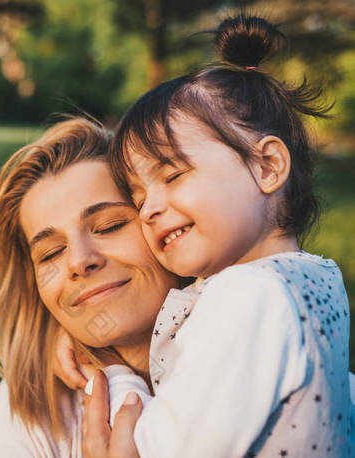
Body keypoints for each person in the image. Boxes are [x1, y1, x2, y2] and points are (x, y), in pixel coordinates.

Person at [73, 14, 352, 457]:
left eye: (173, 174)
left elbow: (155, 449)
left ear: (267, 167)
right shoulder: (318, 280)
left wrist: (115, 377)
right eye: (138, 194)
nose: (150, 207)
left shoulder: (249, 298)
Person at [0, 117, 180, 457]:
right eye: (51, 253)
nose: (80, 261)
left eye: (109, 226)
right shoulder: (32, 404)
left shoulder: (255, 326)